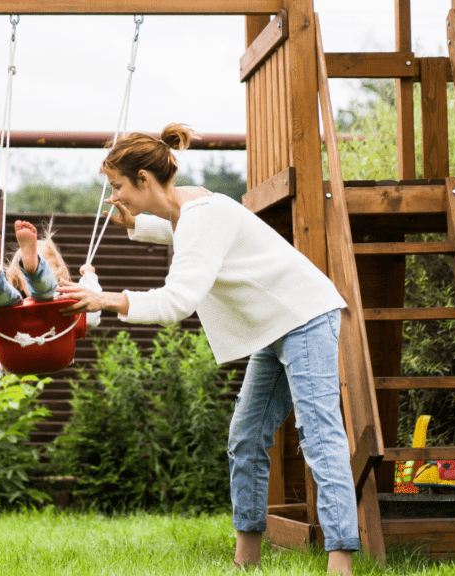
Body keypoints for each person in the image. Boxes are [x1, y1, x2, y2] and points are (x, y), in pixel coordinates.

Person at [56, 124, 357, 575]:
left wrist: (108, 299)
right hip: (271, 328)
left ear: (143, 178)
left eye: (117, 187)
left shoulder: (201, 216)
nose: (113, 196)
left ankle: (341, 562)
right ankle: (246, 561)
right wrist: (135, 225)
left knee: (319, 435)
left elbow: (177, 301)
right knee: (246, 437)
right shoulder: (186, 204)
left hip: (304, 315)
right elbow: (177, 227)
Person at [0, 220, 101, 329]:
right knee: (9, 301)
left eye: (47, 270)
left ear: (58, 279)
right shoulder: (69, 310)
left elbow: (92, 304)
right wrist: (90, 277)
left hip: (12, 355)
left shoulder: (66, 305)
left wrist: (89, 275)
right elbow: (92, 313)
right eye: (26, 275)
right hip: (57, 354)